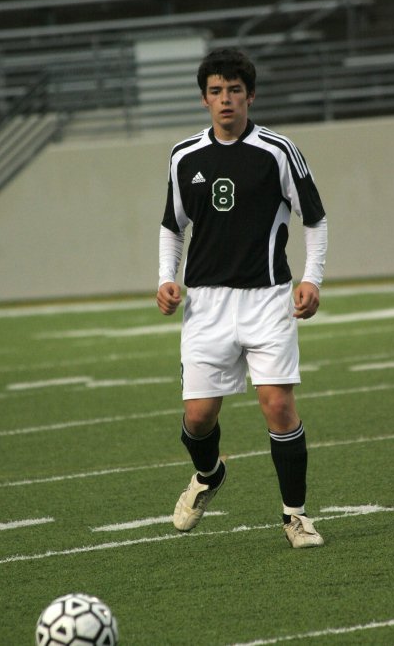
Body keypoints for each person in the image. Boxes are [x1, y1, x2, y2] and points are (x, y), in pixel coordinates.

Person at [156, 48, 328, 548]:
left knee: (277, 405)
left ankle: (295, 516)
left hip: (268, 299)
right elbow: (173, 226)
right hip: (206, 305)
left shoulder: (278, 151)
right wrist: (166, 278)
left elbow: (314, 218)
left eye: (234, 90)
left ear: (250, 96)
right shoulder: (184, 156)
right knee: (198, 417)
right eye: (215, 91)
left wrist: (312, 279)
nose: (225, 99)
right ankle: (209, 475)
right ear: (204, 99)